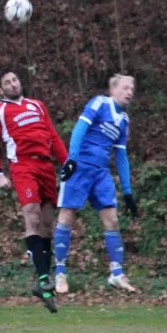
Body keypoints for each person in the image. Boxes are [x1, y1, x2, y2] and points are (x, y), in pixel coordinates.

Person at [0, 70, 68, 313]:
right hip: (23, 166)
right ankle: (43, 278)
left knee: (46, 224)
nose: (13, 84)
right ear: (1, 90)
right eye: (7, 83)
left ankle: (44, 284)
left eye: (15, 80)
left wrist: (67, 163)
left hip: (45, 166)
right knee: (31, 215)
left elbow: (53, 136)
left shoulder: (37, 105)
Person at [55, 74, 139, 294]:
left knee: (112, 219)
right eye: (125, 87)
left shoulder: (124, 120)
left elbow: (121, 156)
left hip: (101, 173)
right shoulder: (100, 103)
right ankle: (60, 273)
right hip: (80, 166)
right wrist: (72, 158)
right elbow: (79, 130)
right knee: (67, 215)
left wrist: (127, 192)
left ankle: (117, 274)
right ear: (113, 89)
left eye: (132, 88)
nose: (129, 92)